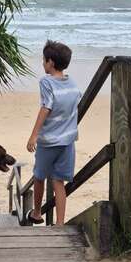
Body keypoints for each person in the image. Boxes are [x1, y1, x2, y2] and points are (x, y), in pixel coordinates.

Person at [26, 40, 82, 226]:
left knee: (39, 176)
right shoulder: (73, 84)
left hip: (49, 141)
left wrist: (33, 135)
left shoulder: (46, 82)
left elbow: (46, 107)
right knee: (59, 183)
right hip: (67, 142)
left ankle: (36, 213)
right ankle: (59, 223)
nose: (42, 63)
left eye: (43, 60)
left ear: (50, 62)